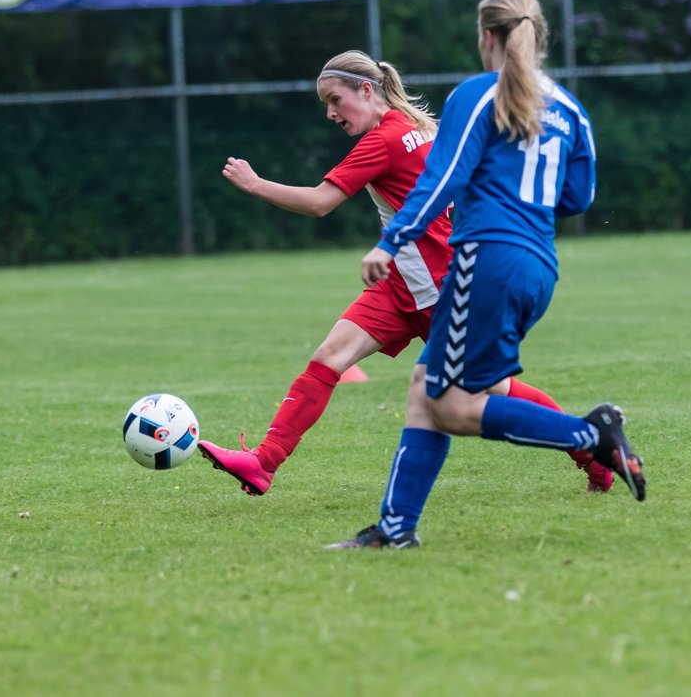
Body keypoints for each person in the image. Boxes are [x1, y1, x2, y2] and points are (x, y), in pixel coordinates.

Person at [197, 49, 613, 496]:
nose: (331, 114)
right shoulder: (418, 128)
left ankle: (591, 447)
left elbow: (321, 203)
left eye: (336, 100)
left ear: (366, 89)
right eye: (326, 106)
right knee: (329, 357)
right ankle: (263, 462)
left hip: (445, 290)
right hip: (401, 288)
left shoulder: (383, 140)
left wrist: (254, 183)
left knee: (492, 389)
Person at [328, 0, 645, 550]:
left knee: (452, 405)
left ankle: (590, 434)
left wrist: (393, 239)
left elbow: (442, 178)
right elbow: (578, 196)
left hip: (485, 262)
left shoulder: (477, 96)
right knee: (427, 386)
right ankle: (395, 530)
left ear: (487, 37)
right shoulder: (570, 109)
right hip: (537, 268)